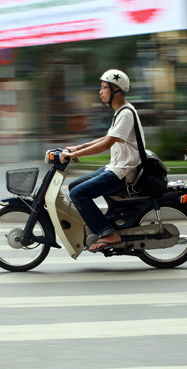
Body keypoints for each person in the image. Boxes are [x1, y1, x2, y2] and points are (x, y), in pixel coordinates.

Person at [60, 69, 145, 252]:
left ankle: (108, 233)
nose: (100, 92)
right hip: (116, 167)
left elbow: (106, 144)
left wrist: (74, 155)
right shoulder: (121, 112)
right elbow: (106, 138)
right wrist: (78, 148)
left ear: (116, 90)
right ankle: (98, 223)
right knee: (74, 186)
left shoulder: (126, 113)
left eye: (104, 87)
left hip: (123, 171)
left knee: (78, 194)